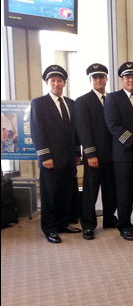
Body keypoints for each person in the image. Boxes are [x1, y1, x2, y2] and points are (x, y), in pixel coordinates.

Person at [30, 65, 82, 243]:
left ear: (64, 83)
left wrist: (77, 152)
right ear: (47, 82)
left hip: (68, 159)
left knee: (66, 193)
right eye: (53, 81)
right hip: (50, 159)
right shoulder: (39, 103)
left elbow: (74, 131)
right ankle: (50, 228)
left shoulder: (71, 103)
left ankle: (63, 223)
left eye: (60, 80)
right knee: (50, 195)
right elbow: (37, 131)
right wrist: (45, 156)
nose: (56, 84)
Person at [104, 62, 133, 241]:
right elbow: (113, 125)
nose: (131, 80)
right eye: (127, 77)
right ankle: (124, 225)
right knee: (125, 192)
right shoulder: (113, 98)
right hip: (124, 155)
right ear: (122, 80)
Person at [74, 63, 118, 240]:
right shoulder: (83, 101)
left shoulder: (113, 99)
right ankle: (88, 225)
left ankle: (109, 218)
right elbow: (83, 130)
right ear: (91, 80)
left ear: (106, 79)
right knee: (90, 192)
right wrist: (90, 154)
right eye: (95, 77)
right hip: (94, 156)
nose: (98, 80)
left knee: (111, 190)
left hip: (113, 155)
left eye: (101, 77)